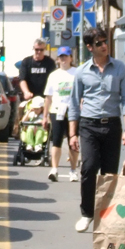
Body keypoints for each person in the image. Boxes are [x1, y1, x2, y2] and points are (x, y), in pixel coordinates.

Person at [68, 26, 125, 232]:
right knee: (89, 168)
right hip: (89, 125)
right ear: (90, 47)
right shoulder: (81, 72)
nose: (104, 46)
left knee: (109, 173)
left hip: (112, 125)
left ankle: (106, 215)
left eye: (105, 41)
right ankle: (87, 213)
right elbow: (73, 103)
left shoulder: (120, 68)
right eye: (99, 43)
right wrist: (72, 133)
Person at [42, 46, 79, 182]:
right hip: (57, 110)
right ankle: (54, 169)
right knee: (56, 141)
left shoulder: (76, 73)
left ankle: (73, 170)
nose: (63, 59)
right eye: (61, 57)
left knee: (72, 142)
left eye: (66, 56)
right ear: (58, 59)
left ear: (71, 58)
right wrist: (45, 116)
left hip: (73, 111)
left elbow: (81, 93)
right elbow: (48, 97)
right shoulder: (53, 75)